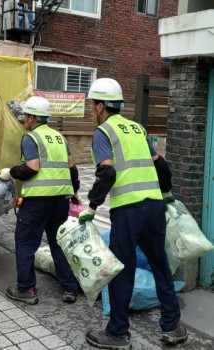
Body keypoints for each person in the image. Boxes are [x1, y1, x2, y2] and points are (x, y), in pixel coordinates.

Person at [79, 78, 188, 349]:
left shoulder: (103, 131)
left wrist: (91, 207)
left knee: (122, 270)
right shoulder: (137, 128)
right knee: (160, 264)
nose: (92, 109)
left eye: (93, 104)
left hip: (128, 211)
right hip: (153, 207)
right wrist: (165, 194)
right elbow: (161, 165)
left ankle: (117, 333)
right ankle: (172, 326)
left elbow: (107, 171)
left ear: (101, 105)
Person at [0, 96, 80, 305]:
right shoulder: (60, 138)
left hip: (37, 203)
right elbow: (73, 168)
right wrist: (73, 191)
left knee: (25, 243)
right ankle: (70, 288)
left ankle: (26, 289)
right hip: (60, 201)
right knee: (57, 243)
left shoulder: (31, 138)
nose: (25, 119)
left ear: (32, 117)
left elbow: (32, 168)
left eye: (26, 115)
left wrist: (12, 172)